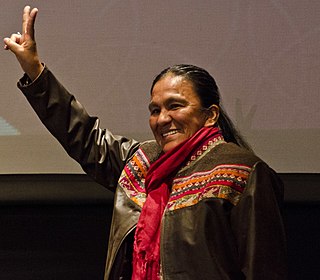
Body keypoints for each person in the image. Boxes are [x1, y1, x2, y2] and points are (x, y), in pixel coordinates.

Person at [4, 6, 287, 280]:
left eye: (175, 106)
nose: (163, 119)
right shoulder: (142, 161)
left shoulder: (243, 172)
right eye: (155, 110)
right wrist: (34, 70)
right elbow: (83, 135)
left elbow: (263, 270)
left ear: (210, 114)